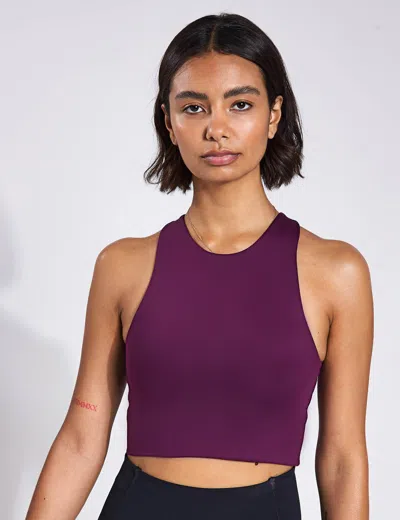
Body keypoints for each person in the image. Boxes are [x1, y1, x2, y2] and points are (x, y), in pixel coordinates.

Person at [26, 12, 374, 520]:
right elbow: (82, 437)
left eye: (240, 104)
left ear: (274, 115)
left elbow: (343, 457)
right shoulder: (122, 266)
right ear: (169, 122)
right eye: (194, 107)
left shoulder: (337, 272)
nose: (217, 128)